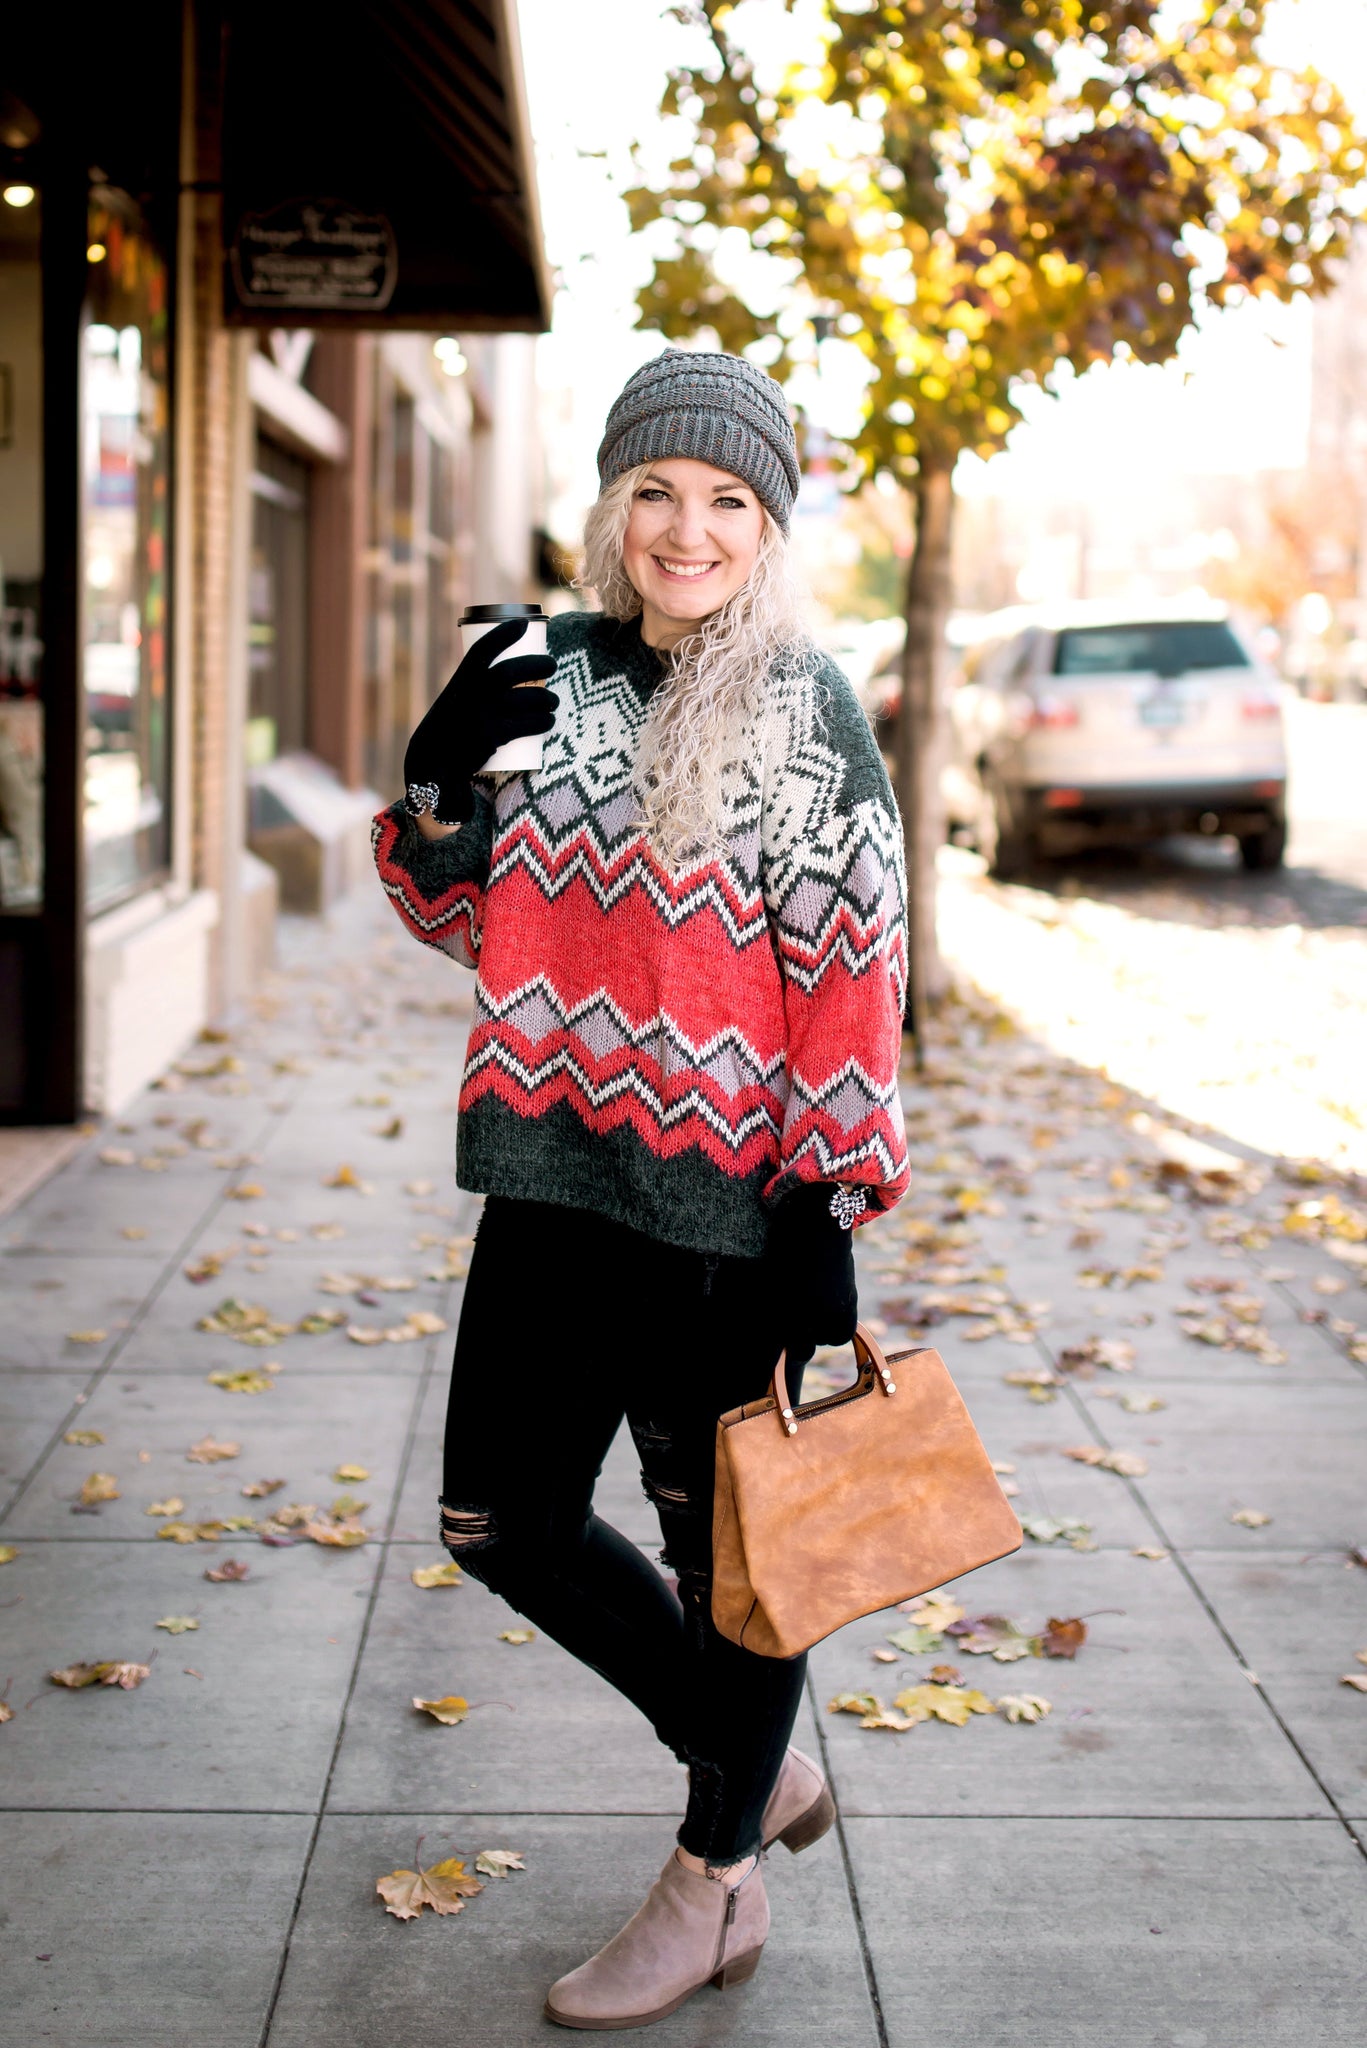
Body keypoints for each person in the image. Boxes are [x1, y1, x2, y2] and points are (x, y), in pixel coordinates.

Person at [372, 350, 909, 2029]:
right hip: (548, 1179)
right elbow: (459, 916)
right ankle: (747, 1768)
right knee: (498, 1522)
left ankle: (711, 1882)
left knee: (731, 1574)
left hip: (728, 1224)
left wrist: (824, 1213)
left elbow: (853, 970)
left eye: (728, 501)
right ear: (614, 504)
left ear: (770, 527)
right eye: (657, 493)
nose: (688, 529)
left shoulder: (807, 705)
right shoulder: (547, 667)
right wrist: (441, 785)